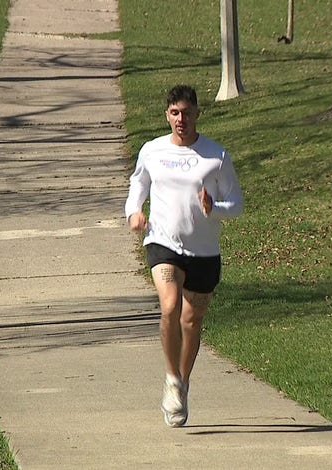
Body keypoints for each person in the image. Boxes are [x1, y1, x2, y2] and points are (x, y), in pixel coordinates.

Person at [124, 85, 243, 427]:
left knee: (191, 323)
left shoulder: (216, 156)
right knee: (170, 306)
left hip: (204, 253)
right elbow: (138, 187)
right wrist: (134, 213)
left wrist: (214, 208)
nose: (181, 119)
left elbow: (236, 206)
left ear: (196, 114)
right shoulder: (152, 151)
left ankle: (182, 382)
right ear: (167, 115)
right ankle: (171, 378)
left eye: (187, 112)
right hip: (162, 243)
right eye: (175, 113)